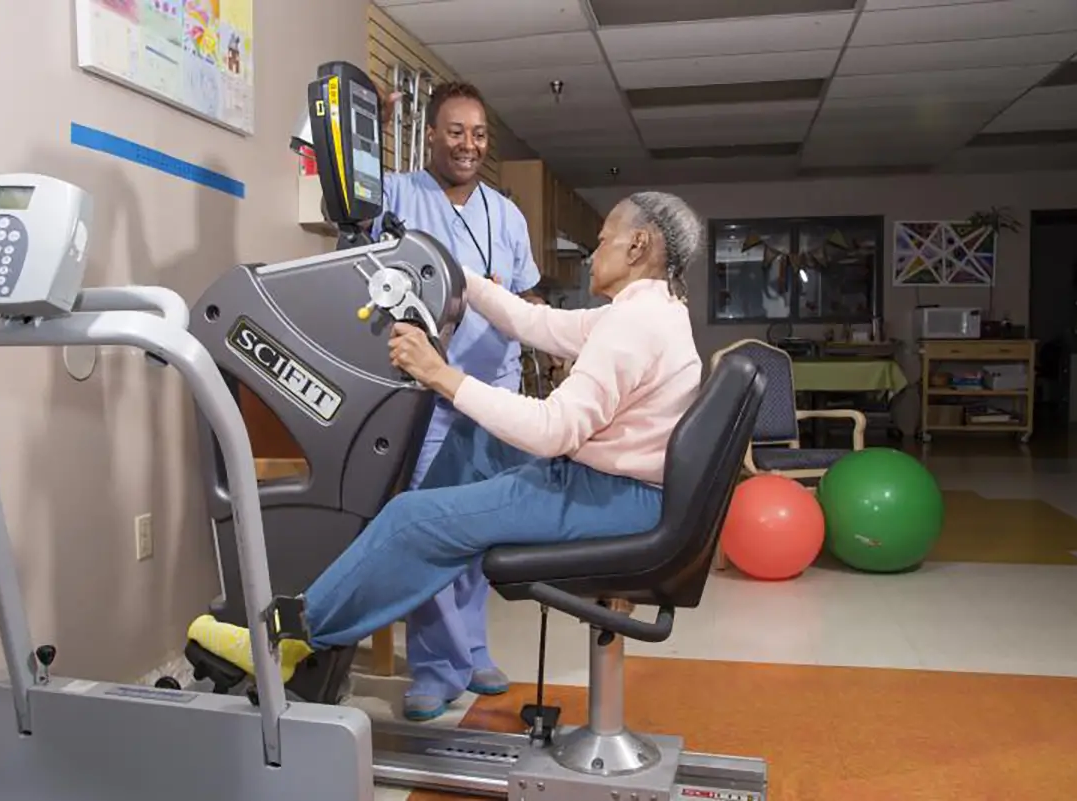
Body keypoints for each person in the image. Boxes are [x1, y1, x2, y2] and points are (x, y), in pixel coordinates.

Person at [188, 191, 706, 710]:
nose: (594, 254)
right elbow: (534, 325)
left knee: (413, 517)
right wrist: (450, 272)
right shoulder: (650, 313)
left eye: (603, 240)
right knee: (473, 440)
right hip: (619, 486)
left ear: (638, 244)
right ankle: (407, 548)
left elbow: (554, 430)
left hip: (612, 496)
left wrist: (440, 375)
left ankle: (284, 639)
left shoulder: (632, 327)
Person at [364, 80, 543, 720]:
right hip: (424, 393)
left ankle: (472, 648)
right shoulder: (398, 194)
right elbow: (346, 199)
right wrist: (373, 125)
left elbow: (530, 301)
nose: (468, 144)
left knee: (477, 526)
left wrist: (518, 306)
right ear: (433, 134)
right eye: (456, 131)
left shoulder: (507, 213)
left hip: (495, 393)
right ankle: (436, 668)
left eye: (479, 134)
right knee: (430, 523)